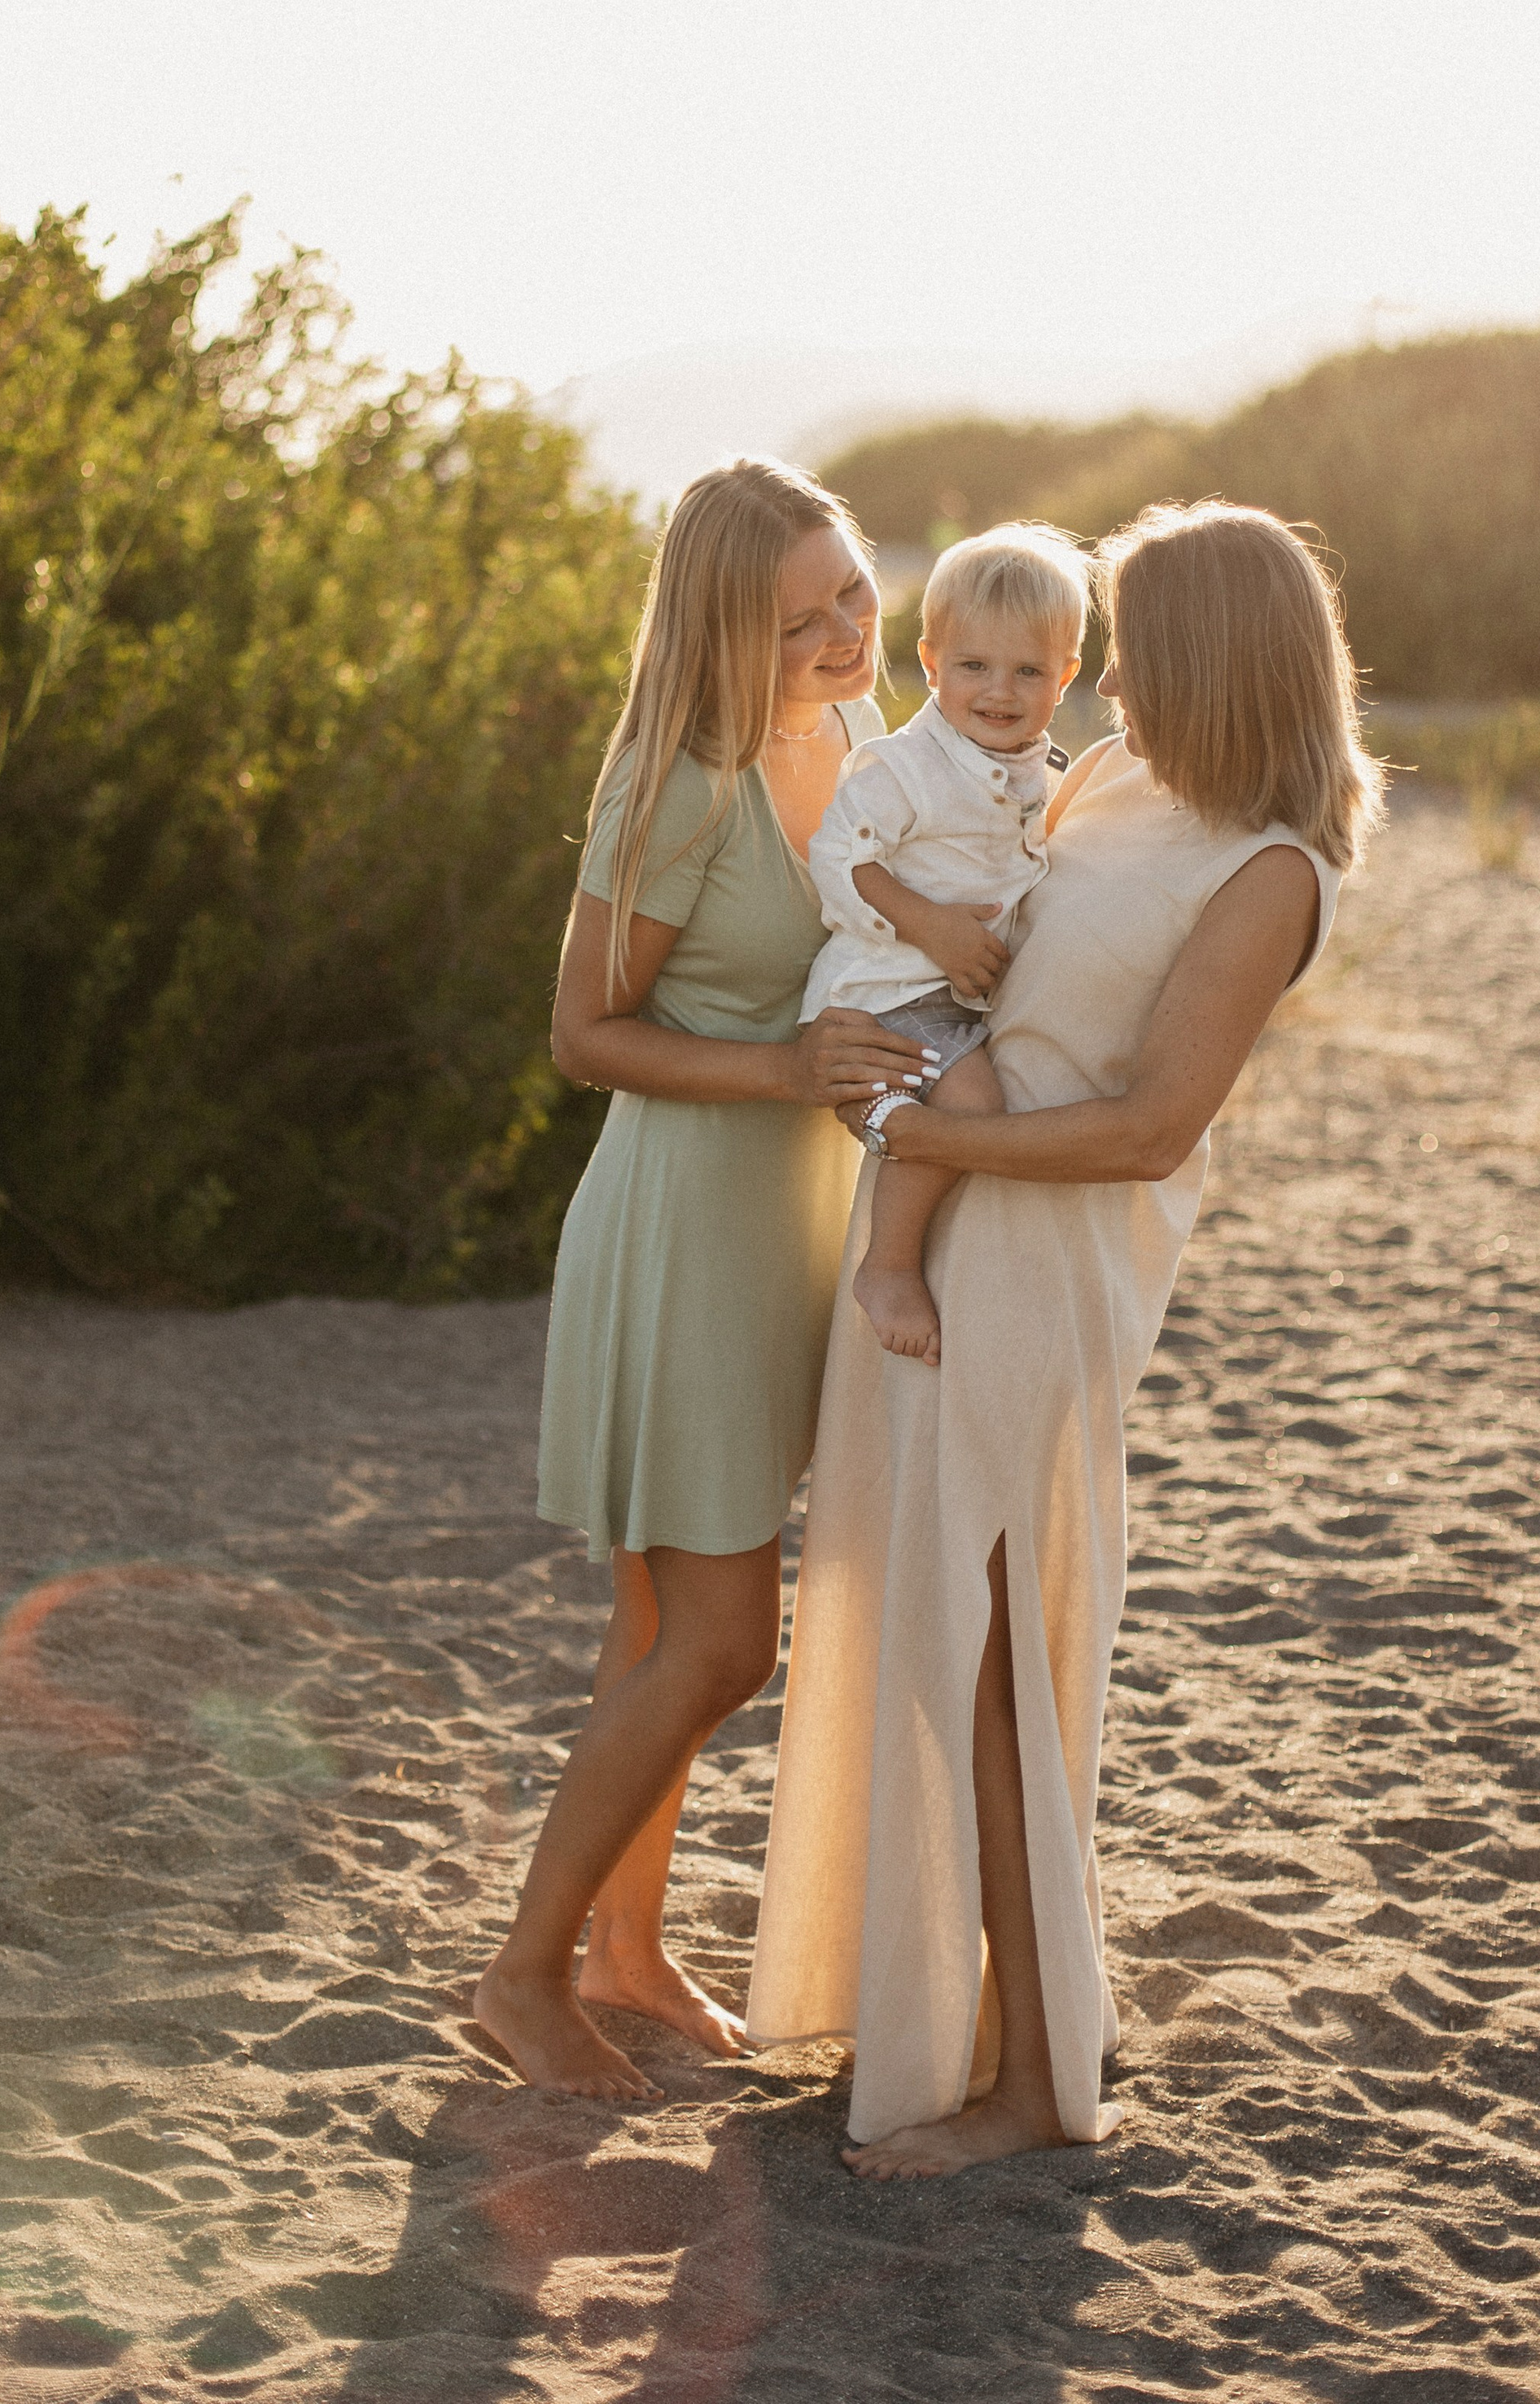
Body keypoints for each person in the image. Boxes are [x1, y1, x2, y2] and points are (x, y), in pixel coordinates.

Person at [745, 500, 1385, 2175]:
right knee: (915, 1643)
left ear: (1216, 659)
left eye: (1134, 647)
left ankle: (1036, 2092)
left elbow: (1143, 1129)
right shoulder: (1110, 782)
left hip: (1038, 1269)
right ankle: (934, 2021)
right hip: (935, 1232)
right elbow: (948, 946)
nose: (1102, 677)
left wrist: (922, 1139)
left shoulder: (1268, 870)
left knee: (998, 1670)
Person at [474, 459, 933, 2103]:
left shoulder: (860, 754)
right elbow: (582, 1033)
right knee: (723, 1643)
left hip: (786, 1226)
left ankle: (625, 1952)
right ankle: (521, 1977)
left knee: (661, 1626)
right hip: (678, 1230)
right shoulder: (674, 783)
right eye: (795, 618)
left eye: (850, 596)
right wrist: (788, 1066)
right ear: (721, 629)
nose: (835, 635)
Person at [802, 523, 1089, 1364]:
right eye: (973, 667)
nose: (998, 691)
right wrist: (926, 923)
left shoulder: (1049, 773)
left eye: (1027, 671)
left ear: (1064, 675)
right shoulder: (903, 769)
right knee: (972, 1105)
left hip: (954, 999)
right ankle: (887, 1267)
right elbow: (839, 856)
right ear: (930, 663)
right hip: (886, 989)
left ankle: (884, 1121)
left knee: (978, 1094)